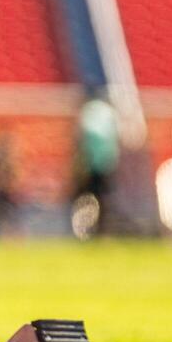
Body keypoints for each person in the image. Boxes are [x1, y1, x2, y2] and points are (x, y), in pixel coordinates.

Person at [72, 89, 120, 237]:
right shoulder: (107, 113)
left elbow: (82, 137)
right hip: (105, 164)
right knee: (102, 199)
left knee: (87, 198)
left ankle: (86, 230)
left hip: (91, 164)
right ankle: (100, 229)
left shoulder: (89, 113)